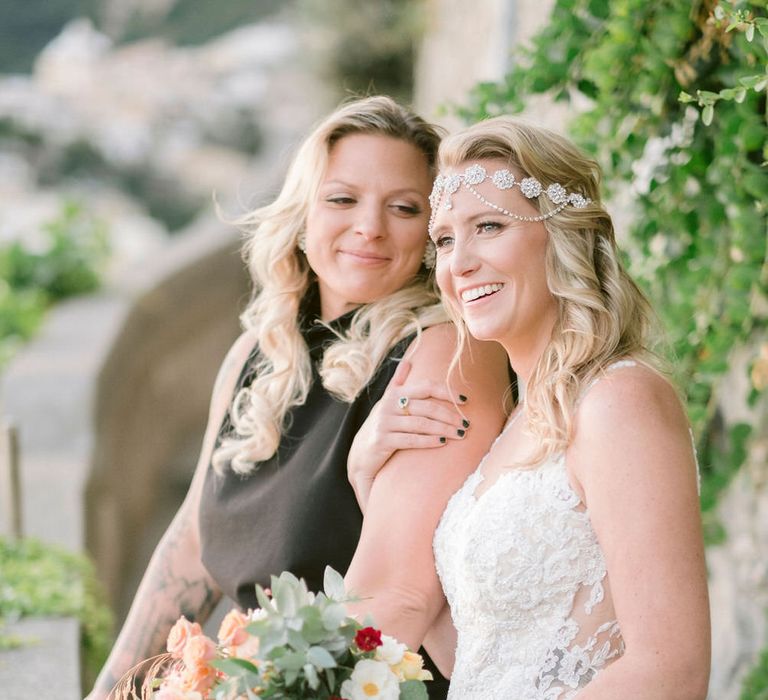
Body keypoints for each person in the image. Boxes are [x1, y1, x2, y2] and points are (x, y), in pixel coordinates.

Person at [86, 96, 510, 700]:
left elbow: (400, 601)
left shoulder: (443, 355)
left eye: (404, 207)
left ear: (430, 233)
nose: (370, 226)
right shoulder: (256, 354)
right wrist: (107, 693)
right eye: (343, 199)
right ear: (302, 212)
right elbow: (190, 546)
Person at [417, 117, 709, 698]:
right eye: (446, 239)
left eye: (490, 226)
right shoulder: (511, 429)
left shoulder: (617, 400)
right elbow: (479, 659)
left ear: (562, 235)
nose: (459, 263)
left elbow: (672, 669)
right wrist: (366, 482)